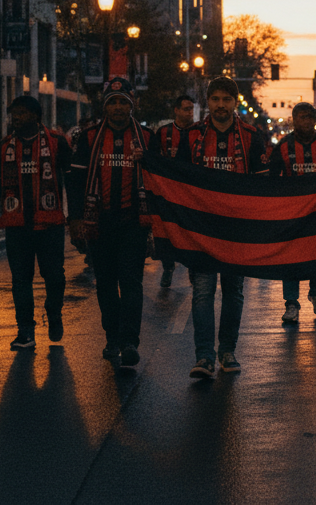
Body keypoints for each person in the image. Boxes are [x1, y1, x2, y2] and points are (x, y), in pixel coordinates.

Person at [175, 76, 269, 380]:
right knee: (202, 292)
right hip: (200, 230)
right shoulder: (191, 137)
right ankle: (204, 356)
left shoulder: (252, 137)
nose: (220, 105)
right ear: (208, 101)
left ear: (236, 102)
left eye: (226, 100)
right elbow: (177, 179)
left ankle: (227, 351)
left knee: (233, 291)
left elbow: (264, 185)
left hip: (237, 231)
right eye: (215, 99)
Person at [68, 78, 153, 369]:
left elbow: (160, 183)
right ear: (105, 106)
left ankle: (130, 341)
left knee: (131, 283)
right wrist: (75, 220)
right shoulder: (89, 138)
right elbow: (76, 181)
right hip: (99, 223)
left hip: (133, 223)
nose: (118, 107)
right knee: (105, 284)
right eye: (113, 102)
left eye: (123, 102)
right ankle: (112, 338)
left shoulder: (147, 138)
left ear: (132, 104)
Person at [0, 96, 76, 349]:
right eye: (13, 114)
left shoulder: (57, 142)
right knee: (20, 280)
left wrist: (76, 219)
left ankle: (54, 313)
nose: (16, 118)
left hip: (50, 225)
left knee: (54, 276)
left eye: (22, 113)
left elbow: (71, 182)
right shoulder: (3, 147)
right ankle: (25, 330)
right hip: (17, 227)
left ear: (36, 116)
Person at [269, 102, 316, 323]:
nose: (307, 121)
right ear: (294, 119)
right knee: (290, 258)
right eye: (302, 117)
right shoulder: (283, 147)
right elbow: (272, 181)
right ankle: (291, 303)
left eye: (310, 117)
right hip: (292, 215)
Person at [151, 95, 195, 287]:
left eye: (191, 109)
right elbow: (153, 158)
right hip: (169, 192)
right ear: (176, 110)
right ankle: (168, 266)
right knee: (168, 229)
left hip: (192, 193)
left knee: (193, 232)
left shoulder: (199, 132)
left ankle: (195, 269)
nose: (190, 113)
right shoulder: (163, 133)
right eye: (186, 109)